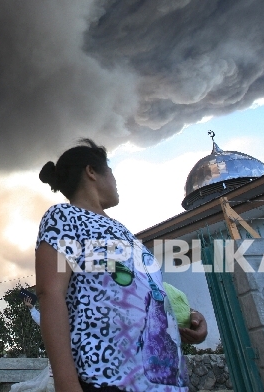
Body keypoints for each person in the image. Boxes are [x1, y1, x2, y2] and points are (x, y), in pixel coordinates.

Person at [35, 139, 205, 392]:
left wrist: (188, 318)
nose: (115, 181)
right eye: (111, 172)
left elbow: (145, 293)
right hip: (109, 379)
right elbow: (50, 293)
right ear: (91, 171)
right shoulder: (64, 217)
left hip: (167, 381)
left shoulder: (125, 233)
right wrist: (67, 384)